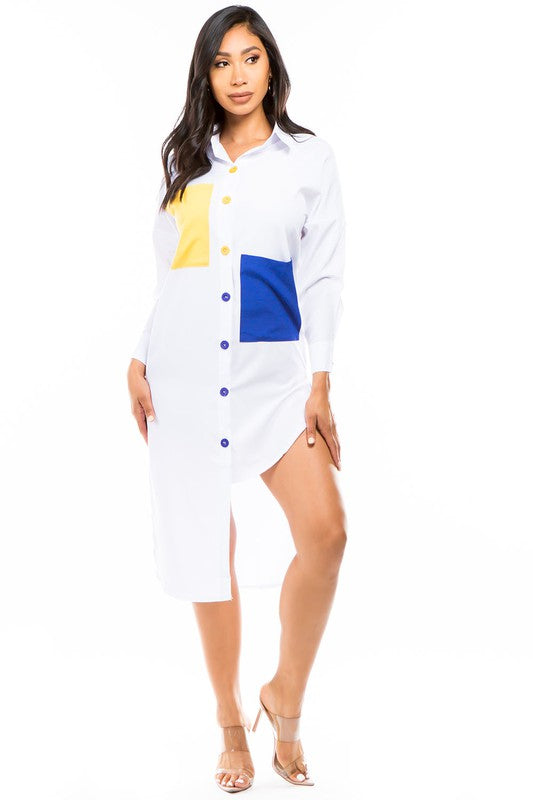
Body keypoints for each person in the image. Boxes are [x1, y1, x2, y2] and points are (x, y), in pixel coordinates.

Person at [126, 5, 347, 792]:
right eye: (221, 62)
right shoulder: (187, 163)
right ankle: (229, 721)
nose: (237, 75)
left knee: (326, 535)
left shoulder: (307, 160)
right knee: (205, 554)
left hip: (275, 382)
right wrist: (139, 355)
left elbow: (321, 274)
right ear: (206, 76)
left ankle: (283, 695)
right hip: (183, 378)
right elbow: (174, 275)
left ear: (271, 65)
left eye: (250, 58)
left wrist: (320, 379)